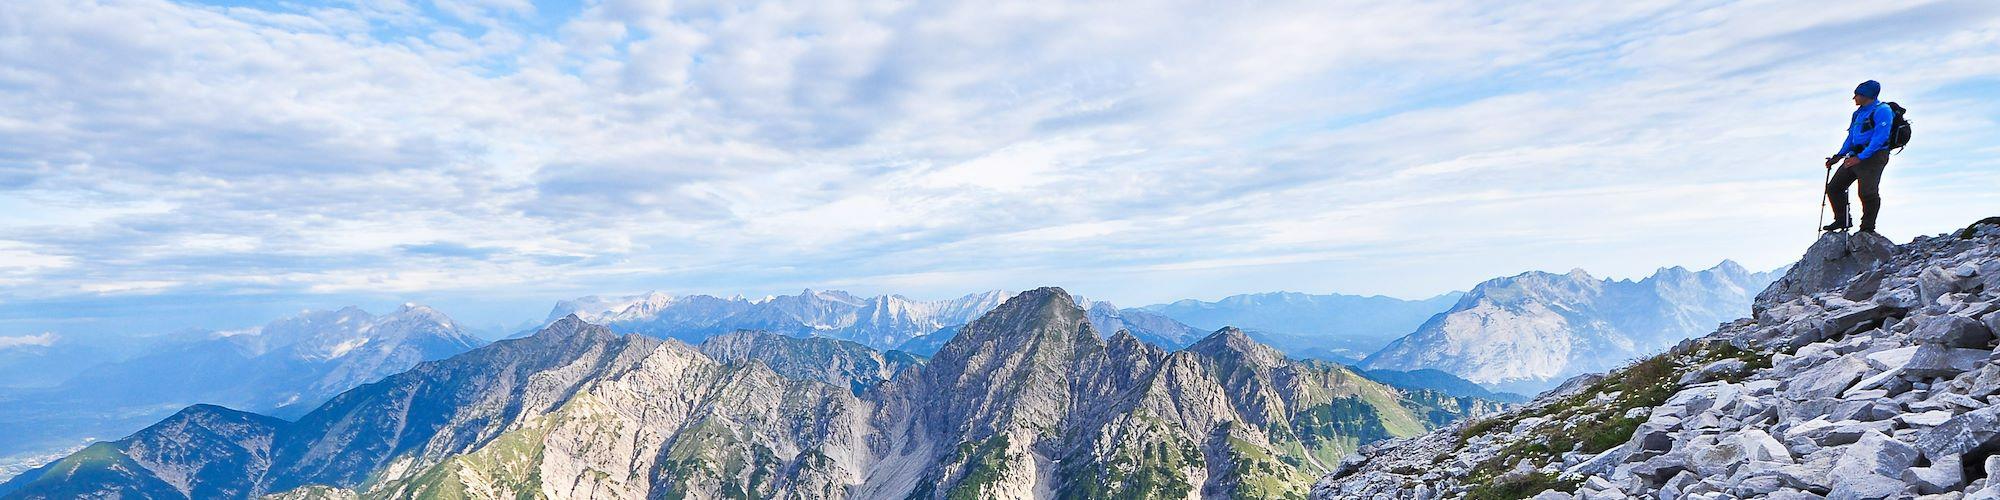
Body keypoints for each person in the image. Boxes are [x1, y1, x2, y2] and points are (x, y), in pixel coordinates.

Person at [1823, 80, 1894, 233]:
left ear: (1867, 96)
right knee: (1834, 188)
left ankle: (1867, 228)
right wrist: (1839, 156)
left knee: (1867, 192)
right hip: (1856, 155)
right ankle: (1842, 220)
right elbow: (1851, 137)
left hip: (1874, 156)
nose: (1854, 98)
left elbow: (1880, 138)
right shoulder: (1858, 113)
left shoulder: (1883, 110)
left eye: (1857, 95)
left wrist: (1861, 157)